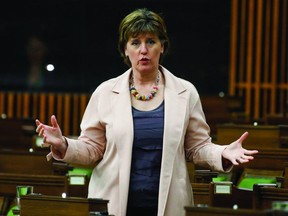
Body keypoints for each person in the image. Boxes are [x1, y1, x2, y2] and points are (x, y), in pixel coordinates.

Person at [35, 8, 258, 216]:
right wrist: (63, 144)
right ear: (125, 48)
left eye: (150, 41)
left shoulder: (185, 92)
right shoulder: (105, 92)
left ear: (162, 46)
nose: (143, 50)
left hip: (168, 203)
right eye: (135, 42)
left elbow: (197, 147)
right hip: (113, 202)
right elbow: (92, 148)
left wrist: (222, 153)